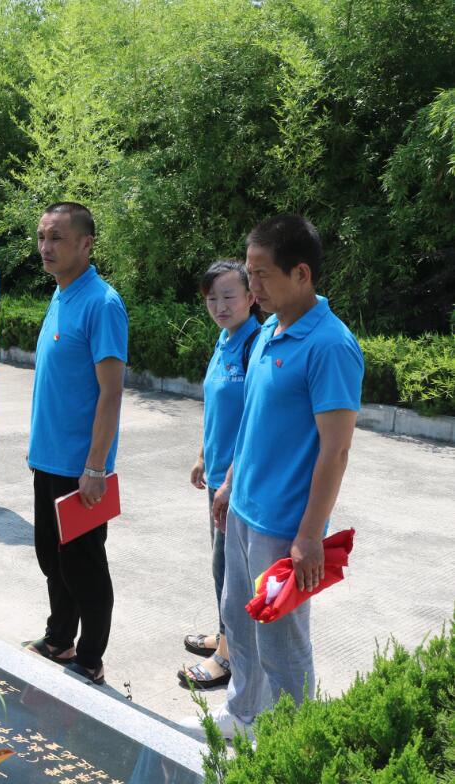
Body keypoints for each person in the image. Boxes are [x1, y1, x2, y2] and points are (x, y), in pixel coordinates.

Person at [181, 214, 363, 740]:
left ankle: (290, 743)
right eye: (249, 272)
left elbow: (336, 450)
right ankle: (243, 717)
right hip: (243, 510)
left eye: (261, 275)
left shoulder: (330, 345)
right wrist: (229, 484)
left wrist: (309, 535)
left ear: (301, 273)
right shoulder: (266, 332)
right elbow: (252, 422)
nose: (251, 285)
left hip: (283, 526)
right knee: (239, 623)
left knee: (281, 642)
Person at [24, 202, 127, 686]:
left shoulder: (102, 303)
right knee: (52, 557)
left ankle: (90, 658)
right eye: (42, 237)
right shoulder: (61, 293)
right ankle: (59, 637)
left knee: (84, 565)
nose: (45, 247)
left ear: (86, 244)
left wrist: (95, 467)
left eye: (57, 238)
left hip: (80, 466)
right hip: (47, 457)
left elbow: (111, 391)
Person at [179, 260, 261, 690]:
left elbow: (256, 419)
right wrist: (201, 455)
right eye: (212, 298)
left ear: (251, 296)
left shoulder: (255, 345)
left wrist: (228, 481)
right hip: (217, 476)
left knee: (229, 569)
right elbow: (217, 408)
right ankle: (225, 634)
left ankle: (228, 657)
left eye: (229, 296)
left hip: (239, 481)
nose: (220, 306)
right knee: (221, 564)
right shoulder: (225, 340)